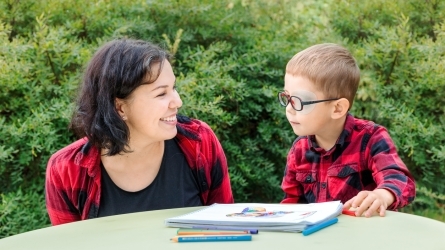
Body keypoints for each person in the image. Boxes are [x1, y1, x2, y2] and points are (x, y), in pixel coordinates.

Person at [45, 39, 234, 226]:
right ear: (119, 108)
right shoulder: (66, 170)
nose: (177, 102)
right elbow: (69, 244)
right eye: (161, 94)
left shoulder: (200, 143)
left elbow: (227, 231)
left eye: (174, 88)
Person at [279, 43, 415, 217]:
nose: (289, 109)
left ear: (337, 108)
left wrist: (382, 195)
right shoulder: (299, 151)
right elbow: (291, 204)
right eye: (287, 97)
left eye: (299, 101)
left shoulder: (370, 138)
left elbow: (401, 180)